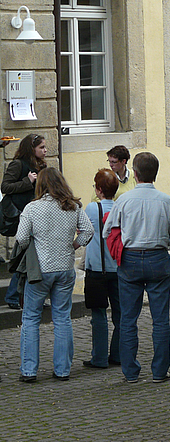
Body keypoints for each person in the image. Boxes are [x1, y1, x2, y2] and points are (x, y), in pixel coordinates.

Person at [103, 152, 170, 384]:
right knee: (161, 319)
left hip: (130, 259)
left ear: (134, 174)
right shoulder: (168, 201)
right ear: (155, 173)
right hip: (158, 257)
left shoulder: (123, 200)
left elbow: (107, 230)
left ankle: (130, 372)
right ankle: (159, 371)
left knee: (128, 318)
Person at [16, 167, 92, 382]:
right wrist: (73, 245)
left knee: (31, 318)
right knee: (62, 318)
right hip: (65, 268)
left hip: (40, 270)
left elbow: (21, 238)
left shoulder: (32, 208)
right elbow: (88, 230)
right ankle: (62, 370)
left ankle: (29, 370)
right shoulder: (73, 206)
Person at [2, 133, 47, 311]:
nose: (45, 150)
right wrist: (27, 181)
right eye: (41, 147)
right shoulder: (18, 164)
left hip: (38, 215)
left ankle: (28, 296)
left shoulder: (41, 166)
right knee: (25, 256)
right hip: (23, 216)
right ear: (31, 148)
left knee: (33, 257)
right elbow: (5, 187)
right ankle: (14, 296)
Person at [82, 169, 121, 369]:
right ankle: (118, 355)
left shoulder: (92, 208)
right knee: (120, 315)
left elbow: (82, 230)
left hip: (96, 269)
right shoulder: (120, 207)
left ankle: (99, 358)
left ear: (98, 190)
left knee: (98, 314)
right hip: (118, 268)